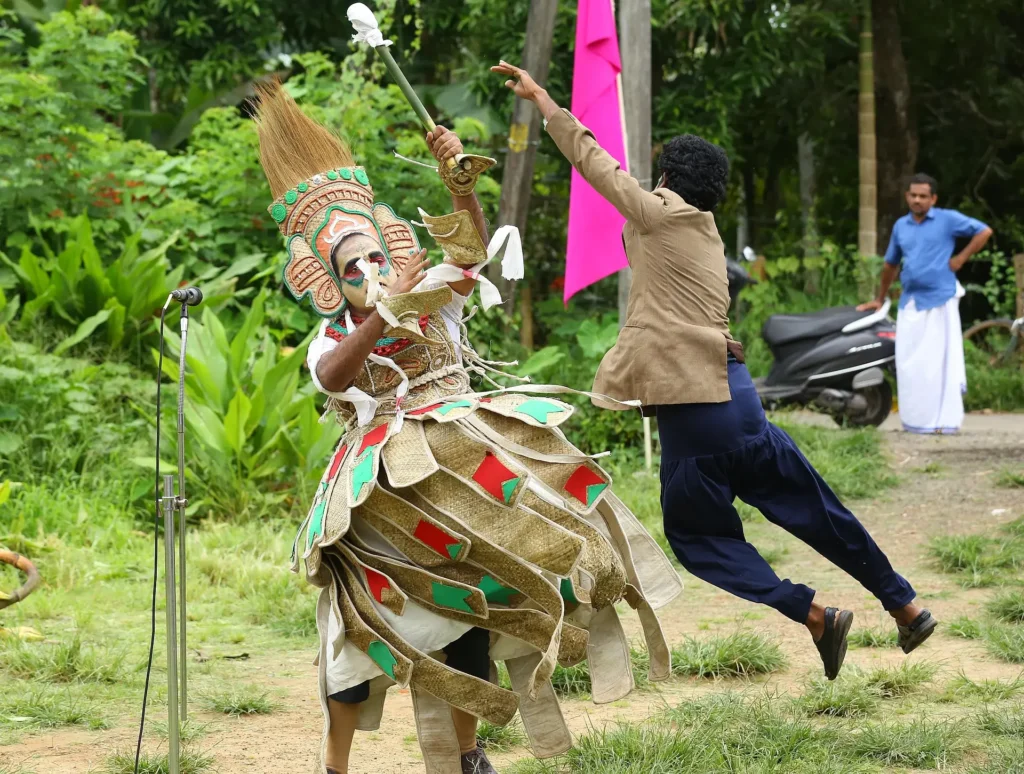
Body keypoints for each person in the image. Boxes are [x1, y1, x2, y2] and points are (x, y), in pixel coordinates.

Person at [253, 81, 681, 774]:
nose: (369, 271)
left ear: (394, 253)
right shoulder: (329, 339)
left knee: (478, 613)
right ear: (328, 279)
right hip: (384, 502)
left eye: (376, 257)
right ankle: (334, 765)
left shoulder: (434, 303)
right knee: (355, 649)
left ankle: (469, 753)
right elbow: (334, 377)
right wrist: (383, 315)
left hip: (471, 475)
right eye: (351, 266)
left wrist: (459, 189)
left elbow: (470, 255)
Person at [491, 61, 937, 681]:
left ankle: (812, 614)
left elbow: (593, 162)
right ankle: (906, 604)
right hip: (741, 404)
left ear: (667, 179)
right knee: (821, 513)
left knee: (699, 541)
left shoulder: (657, 214)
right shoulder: (705, 231)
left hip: (695, 421)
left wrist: (541, 98)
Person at [858, 174, 993, 434]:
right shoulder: (901, 226)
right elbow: (890, 265)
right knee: (909, 362)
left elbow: (984, 231)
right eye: (913, 195)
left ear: (933, 199)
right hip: (911, 301)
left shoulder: (947, 219)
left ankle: (944, 422)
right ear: (907, 196)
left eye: (923, 196)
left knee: (938, 364)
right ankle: (916, 421)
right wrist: (879, 297)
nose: (917, 200)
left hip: (941, 299)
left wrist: (961, 258)